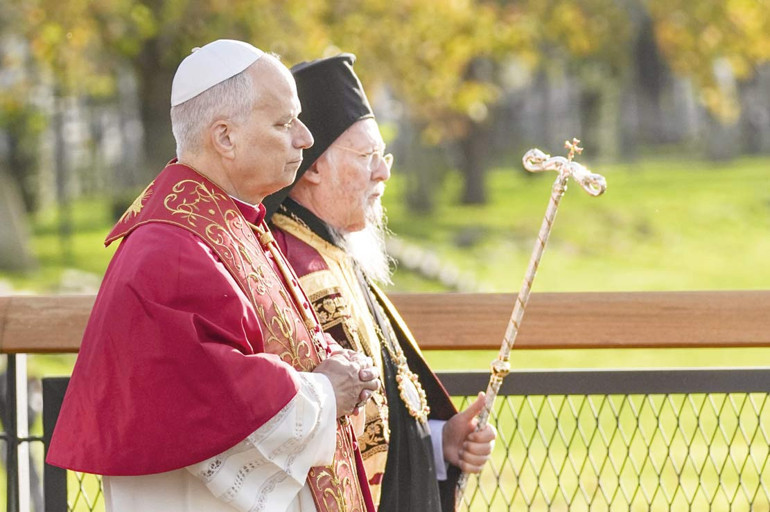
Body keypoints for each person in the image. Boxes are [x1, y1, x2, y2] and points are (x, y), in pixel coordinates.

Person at [46, 40, 380, 512]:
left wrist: (336, 364)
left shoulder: (228, 223)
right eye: (284, 122)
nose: (305, 137)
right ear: (225, 137)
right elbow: (218, 402)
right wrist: (327, 391)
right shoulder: (169, 253)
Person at [263, 54, 496, 512]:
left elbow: (378, 423)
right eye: (367, 156)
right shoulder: (301, 272)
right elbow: (337, 441)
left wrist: (439, 443)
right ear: (312, 166)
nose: (383, 172)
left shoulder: (331, 254)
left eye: (382, 155)